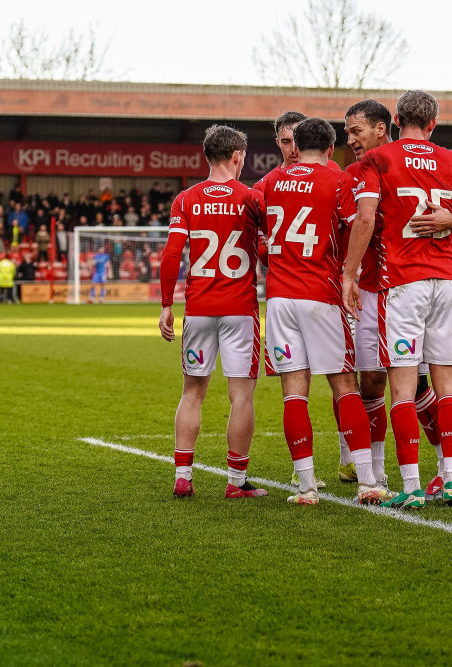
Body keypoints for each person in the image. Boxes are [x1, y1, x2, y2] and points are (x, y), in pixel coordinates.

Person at [342, 90, 452, 510]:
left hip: (402, 282)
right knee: (448, 386)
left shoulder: (379, 160)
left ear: (396, 119)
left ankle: (413, 486)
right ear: (433, 122)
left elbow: (365, 218)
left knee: (401, 387)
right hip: (447, 282)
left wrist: (348, 273)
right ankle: (451, 480)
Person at [259, 117, 393, 506]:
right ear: (332, 149)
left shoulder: (268, 184)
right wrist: (350, 274)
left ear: (295, 147)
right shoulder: (338, 182)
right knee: (344, 387)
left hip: (280, 299)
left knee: (293, 394)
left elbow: (256, 233)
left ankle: (305, 487)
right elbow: (360, 228)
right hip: (321, 294)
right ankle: (368, 482)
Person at [158, 124, 268, 500]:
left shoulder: (186, 199)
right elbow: (269, 252)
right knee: (241, 396)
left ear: (208, 156)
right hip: (239, 308)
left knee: (192, 393)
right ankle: (236, 483)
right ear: (238, 156)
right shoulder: (252, 198)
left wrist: (165, 307)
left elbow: (172, 255)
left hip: (199, 308)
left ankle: (183, 476)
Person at [342, 99, 395, 486]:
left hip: (417, 290)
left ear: (380, 128)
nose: (351, 139)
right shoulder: (352, 175)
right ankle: (373, 467)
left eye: (356, 131)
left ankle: (451, 470)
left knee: (427, 382)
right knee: (371, 379)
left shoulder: (410, 163)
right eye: (346, 133)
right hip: (373, 290)